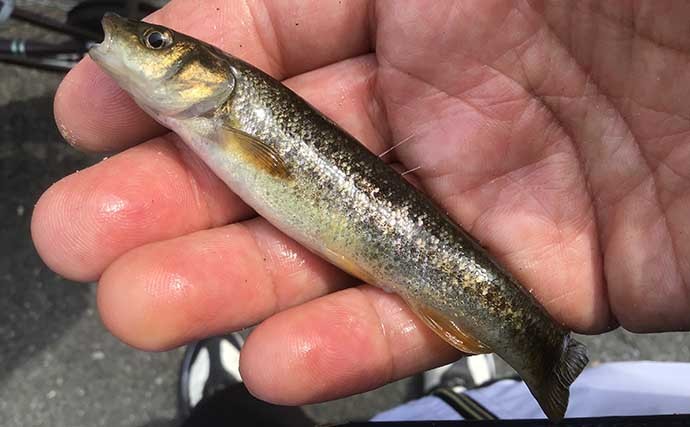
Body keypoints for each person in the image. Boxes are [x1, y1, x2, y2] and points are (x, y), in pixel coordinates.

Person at [31, 0, 690, 422]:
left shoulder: (230, 107)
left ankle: (529, 357)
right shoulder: (210, 112)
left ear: (208, 76)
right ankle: (502, 375)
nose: (133, 42)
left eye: (154, 45)